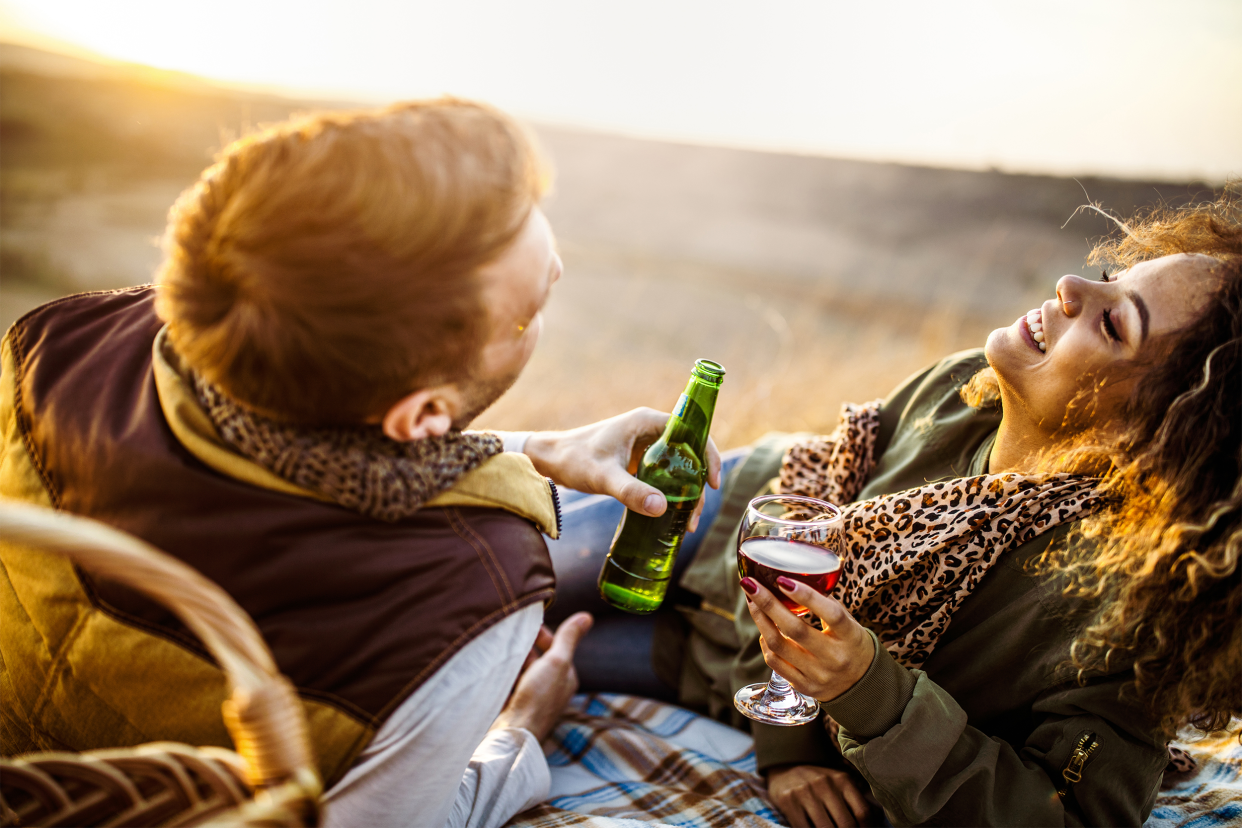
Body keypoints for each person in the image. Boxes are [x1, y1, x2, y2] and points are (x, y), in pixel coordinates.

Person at [0, 99, 718, 828]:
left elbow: (294, 455)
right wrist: (523, 731)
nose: (557, 268)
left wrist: (529, 448)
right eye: (528, 309)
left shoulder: (58, 339)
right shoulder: (475, 591)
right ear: (420, 418)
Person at [548, 188, 1242, 827]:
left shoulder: (1130, 616)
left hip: (703, 658)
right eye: (1115, 276)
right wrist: (788, 745)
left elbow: (1058, 816)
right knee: (506, 565)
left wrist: (865, 690)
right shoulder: (960, 390)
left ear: (1155, 433)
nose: (1072, 286)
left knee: (512, 647)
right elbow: (798, 512)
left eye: (1114, 320)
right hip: (713, 516)